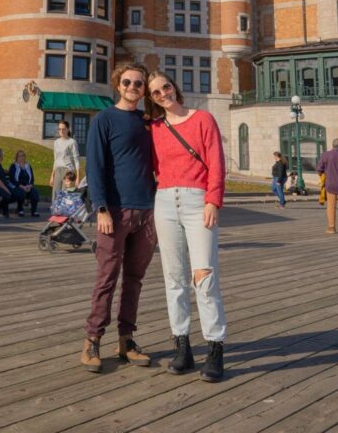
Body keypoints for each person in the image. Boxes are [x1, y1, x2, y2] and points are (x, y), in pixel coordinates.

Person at [147, 70, 227, 383]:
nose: (162, 94)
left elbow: (216, 162)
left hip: (197, 202)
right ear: (152, 100)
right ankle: (183, 346)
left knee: (204, 276)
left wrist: (213, 200)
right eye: (155, 93)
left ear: (175, 87)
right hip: (165, 201)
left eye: (165, 86)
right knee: (174, 278)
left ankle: (215, 347)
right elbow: (152, 167)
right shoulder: (154, 128)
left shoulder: (203, 119)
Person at [83, 62, 156, 374]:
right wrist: (100, 208)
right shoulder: (104, 119)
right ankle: (92, 339)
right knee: (106, 278)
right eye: (127, 82)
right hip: (115, 210)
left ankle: (126, 339)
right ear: (118, 84)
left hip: (148, 211)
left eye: (139, 84)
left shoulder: (149, 121)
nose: (132, 87)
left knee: (135, 279)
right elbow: (95, 166)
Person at [0, 148, 25, 217]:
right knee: (8, 195)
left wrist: (7, 171)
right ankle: (3, 210)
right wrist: (6, 189)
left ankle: (0, 205)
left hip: (3, 186)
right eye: (2, 154)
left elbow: (0, 172)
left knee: (19, 193)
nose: (3, 155)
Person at [50, 121, 80, 197]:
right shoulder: (56, 142)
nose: (61, 131)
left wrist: (77, 178)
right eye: (59, 129)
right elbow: (55, 159)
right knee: (55, 194)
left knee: (65, 194)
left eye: (63, 129)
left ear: (68, 129)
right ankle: (55, 209)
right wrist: (52, 176)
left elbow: (76, 160)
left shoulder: (72, 142)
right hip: (58, 170)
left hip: (68, 171)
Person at [8, 150, 40, 217]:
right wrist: (22, 187)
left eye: (23, 156)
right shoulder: (13, 166)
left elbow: (32, 179)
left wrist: (30, 186)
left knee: (35, 192)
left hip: (27, 186)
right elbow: (12, 179)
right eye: (19, 156)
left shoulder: (28, 166)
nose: (21, 157)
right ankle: (20, 210)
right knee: (21, 192)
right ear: (16, 157)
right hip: (17, 186)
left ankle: (34, 211)